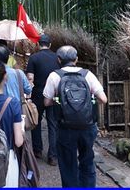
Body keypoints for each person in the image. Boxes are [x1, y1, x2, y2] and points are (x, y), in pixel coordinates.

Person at [43, 45, 106, 188]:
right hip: (87, 126)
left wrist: (61, 101)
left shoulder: (55, 76)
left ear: (59, 60)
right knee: (87, 160)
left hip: (65, 127)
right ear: (76, 59)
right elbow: (103, 99)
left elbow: (46, 102)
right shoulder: (87, 74)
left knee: (67, 163)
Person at [25, 33, 60, 166]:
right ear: (50, 45)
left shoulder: (34, 58)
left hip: (38, 94)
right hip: (53, 95)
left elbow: (30, 78)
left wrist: (28, 95)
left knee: (36, 121)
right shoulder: (57, 58)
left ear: (38, 44)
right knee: (53, 124)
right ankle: (53, 156)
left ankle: (37, 150)